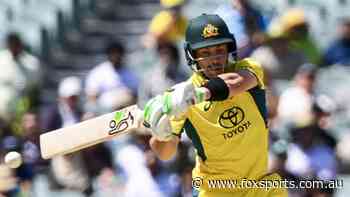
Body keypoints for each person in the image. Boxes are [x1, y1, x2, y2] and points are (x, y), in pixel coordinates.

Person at [142, 14, 287, 196]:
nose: (215, 59)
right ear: (192, 55)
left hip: (260, 186)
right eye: (205, 53)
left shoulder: (249, 68)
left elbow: (233, 84)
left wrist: (197, 95)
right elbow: (165, 153)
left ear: (230, 48)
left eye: (219, 50)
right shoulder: (180, 98)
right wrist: (160, 134)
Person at [85, 41, 138, 113]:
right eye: (112, 53)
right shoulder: (98, 72)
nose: (115, 56)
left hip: (124, 113)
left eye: (118, 53)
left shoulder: (130, 74)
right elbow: (92, 96)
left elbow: (135, 97)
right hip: (103, 113)